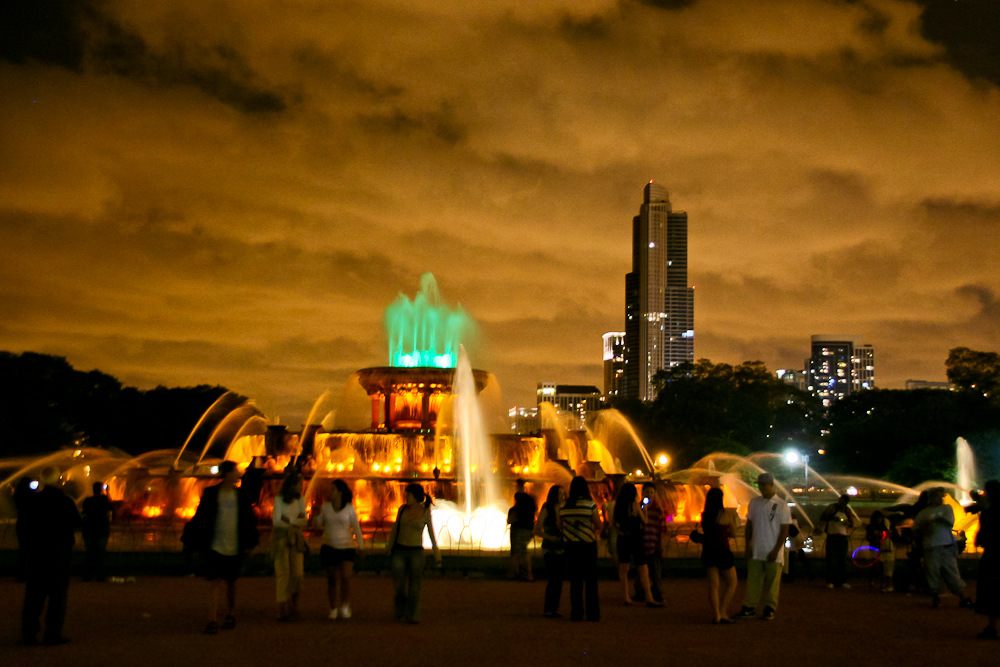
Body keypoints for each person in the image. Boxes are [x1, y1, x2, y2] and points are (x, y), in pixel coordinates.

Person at [184, 460, 260, 634]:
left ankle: (230, 614)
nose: (238, 475)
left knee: (231, 583)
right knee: (215, 582)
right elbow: (201, 517)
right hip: (215, 545)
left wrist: (250, 544)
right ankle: (212, 620)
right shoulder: (211, 493)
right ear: (227, 474)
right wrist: (193, 539)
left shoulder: (241, 495)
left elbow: (248, 521)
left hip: (235, 545)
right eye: (235, 471)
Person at [20, 466, 81, 646]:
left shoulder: (32, 501)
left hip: (37, 552)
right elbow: (77, 523)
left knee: (33, 594)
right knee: (57, 595)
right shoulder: (65, 502)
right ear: (58, 481)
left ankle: (29, 634)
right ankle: (52, 633)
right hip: (59, 553)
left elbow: (23, 526)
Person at [738, 473, 791, 621]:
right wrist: (747, 545)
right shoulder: (754, 502)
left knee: (772, 582)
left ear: (771, 485)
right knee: (753, 581)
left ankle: (769, 608)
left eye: (763, 484)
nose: (760, 487)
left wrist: (776, 550)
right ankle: (749, 607)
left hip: (773, 551)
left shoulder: (781, 505)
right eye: (759, 484)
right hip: (756, 549)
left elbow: (784, 530)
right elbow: (749, 525)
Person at [387, 483, 441, 623]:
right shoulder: (402, 509)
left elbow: (431, 533)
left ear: (416, 497)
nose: (406, 497)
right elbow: (395, 528)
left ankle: (412, 614)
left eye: (408, 495)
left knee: (415, 585)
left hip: (416, 552)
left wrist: (437, 554)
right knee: (399, 584)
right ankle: (400, 609)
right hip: (399, 550)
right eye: (406, 495)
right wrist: (389, 546)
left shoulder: (425, 512)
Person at [914, 487, 973, 609]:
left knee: (952, 572)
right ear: (930, 498)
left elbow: (948, 521)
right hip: (930, 547)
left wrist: (929, 523)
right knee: (933, 572)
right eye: (937, 496)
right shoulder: (923, 513)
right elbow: (916, 529)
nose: (940, 498)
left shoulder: (947, 508)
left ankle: (962, 597)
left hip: (946, 545)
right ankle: (936, 597)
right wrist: (926, 527)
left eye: (941, 496)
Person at [315, 478, 364, 620]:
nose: (330, 492)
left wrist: (360, 546)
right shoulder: (325, 508)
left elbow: (356, 527)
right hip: (329, 546)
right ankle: (333, 607)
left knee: (346, 577)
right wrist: (316, 515)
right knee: (331, 579)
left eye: (333, 489)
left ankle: (345, 604)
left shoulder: (349, 508)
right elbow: (317, 525)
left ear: (340, 492)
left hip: (346, 546)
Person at [558, 476, 602, 621]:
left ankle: (576, 613)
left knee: (575, 581)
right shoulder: (590, 504)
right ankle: (592, 614)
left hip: (571, 547)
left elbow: (560, 525)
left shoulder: (563, 505)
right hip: (587, 546)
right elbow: (598, 525)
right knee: (590, 581)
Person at [700, 487, 740, 624]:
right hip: (723, 551)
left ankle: (716, 614)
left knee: (713, 585)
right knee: (732, 582)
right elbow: (734, 534)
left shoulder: (705, 515)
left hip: (708, 551)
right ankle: (723, 611)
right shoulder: (726, 514)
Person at [271, 470, 306, 621]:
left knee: (297, 574)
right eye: (300, 484)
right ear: (291, 485)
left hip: (296, 539)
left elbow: (304, 520)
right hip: (281, 539)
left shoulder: (301, 500)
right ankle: (282, 609)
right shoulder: (279, 500)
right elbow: (276, 521)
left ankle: (294, 605)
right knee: (283, 574)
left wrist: (288, 520)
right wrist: (295, 521)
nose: (302, 487)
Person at [534, 484, 565, 617]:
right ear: (553, 495)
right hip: (550, 549)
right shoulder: (547, 508)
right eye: (559, 494)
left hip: (563, 548)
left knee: (559, 579)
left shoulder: (565, 508)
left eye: (564, 494)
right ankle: (550, 608)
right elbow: (537, 529)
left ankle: (554, 608)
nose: (562, 497)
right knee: (553, 578)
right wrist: (549, 537)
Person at [975, 480, 1000, 640]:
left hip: (994, 556)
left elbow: (983, 538)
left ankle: (992, 627)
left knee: (992, 590)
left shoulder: (989, 513)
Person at [636, 482, 666, 604]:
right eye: (647, 492)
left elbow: (662, 527)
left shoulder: (658, 508)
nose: (649, 494)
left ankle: (657, 592)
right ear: (642, 493)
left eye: (652, 492)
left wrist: (660, 543)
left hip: (654, 544)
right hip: (641, 543)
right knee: (640, 571)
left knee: (655, 570)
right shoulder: (638, 507)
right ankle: (640, 592)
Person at [81, 482, 113, 582]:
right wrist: (108, 492)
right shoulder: (104, 499)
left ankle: (87, 576)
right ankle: (100, 576)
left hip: (89, 530)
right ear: (101, 489)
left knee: (89, 553)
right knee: (100, 554)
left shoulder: (87, 500)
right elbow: (112, 507)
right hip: (102, 530)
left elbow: (84, 512)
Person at [821, 494, 854, 589]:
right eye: (841, 501)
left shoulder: (847, 510)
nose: (842, 503)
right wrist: (833, 518)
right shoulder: (832, 507)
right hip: (832, 536)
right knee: (831, 559)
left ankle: (842, 581)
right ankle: (830, 581)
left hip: (843, 537)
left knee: (842, 560)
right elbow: (823, 517)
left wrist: (847, 523)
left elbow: (852, 524)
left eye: (844, 502)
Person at [507, 479, 537, 581]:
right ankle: (525, 573)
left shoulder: (518, 505)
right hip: (528, 528)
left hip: (519, 529)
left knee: (516, 551)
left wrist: (512, 518)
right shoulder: (530, 500)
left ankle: (516, 573)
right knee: (523, 550)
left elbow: (511, 519)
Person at [865, 511, 894, 592]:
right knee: (874, 564)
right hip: (874, 547)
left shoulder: (883, 527)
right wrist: (874, 539)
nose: (878, 520)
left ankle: (881, 582)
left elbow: (886, 535)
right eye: (877, 518)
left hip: (881, 547)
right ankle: (872, 580)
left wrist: (880, 538)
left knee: (882, 565)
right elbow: (867, 537)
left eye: (880, 518)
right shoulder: (870, 527)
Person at [13, 476, 35, 583]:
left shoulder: (18, 495)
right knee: (32, 550)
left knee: (23, 550)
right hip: (30, 524)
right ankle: (30, 574)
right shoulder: (31, 495)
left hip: (21, 523)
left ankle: (21, 574)